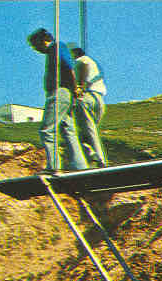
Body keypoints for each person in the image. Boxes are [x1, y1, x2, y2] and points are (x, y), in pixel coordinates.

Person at [27, 28, 89, 173]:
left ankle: (53, 166)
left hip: (59, 92)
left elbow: (68, 66)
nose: (36, 49)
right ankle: (80, 165)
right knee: (68, 129)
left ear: (42, 40)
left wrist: (75, 87)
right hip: (66, 93)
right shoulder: (55, 50)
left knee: (47, 130)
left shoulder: (56, 47)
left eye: (35, 45)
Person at [70, 45, 108, 168]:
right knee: (88, 132)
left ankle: (99, 159)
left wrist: (80, 86)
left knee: (87, 131)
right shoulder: (94, 63)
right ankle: (92, 158)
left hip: (87, 97)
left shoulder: (81, 60)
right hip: (99, 99)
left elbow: (83, 67)